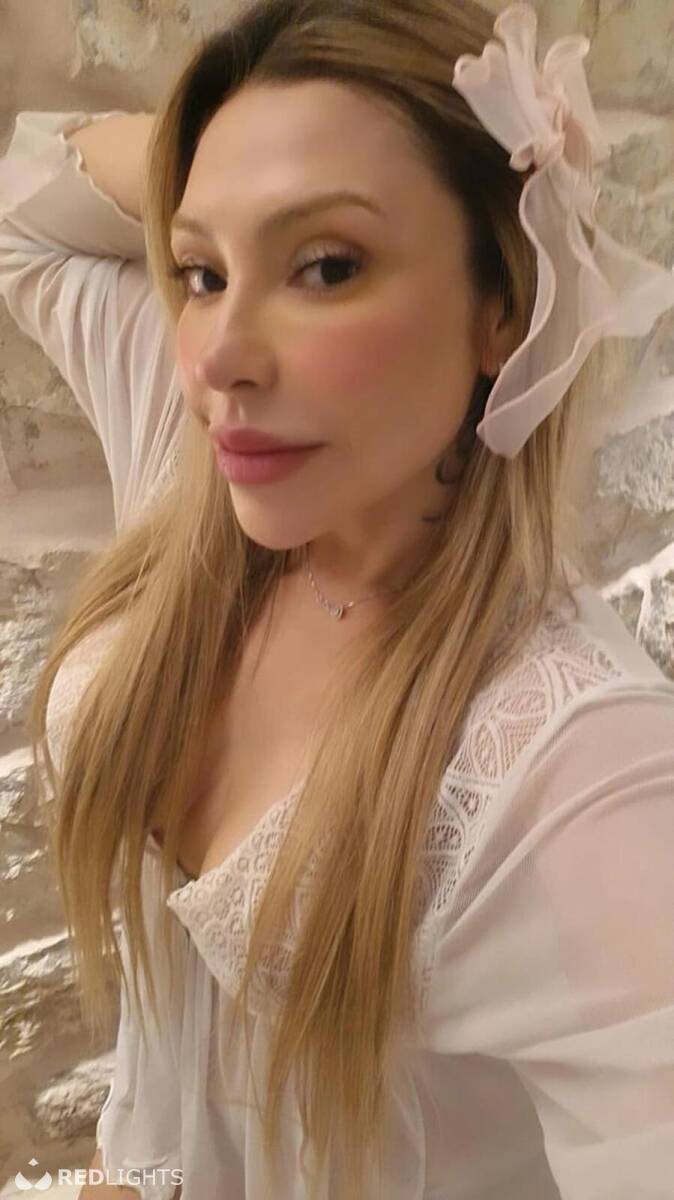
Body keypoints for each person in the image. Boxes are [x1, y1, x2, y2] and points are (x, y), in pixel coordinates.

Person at [1, 2, 673, 1197]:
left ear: (502, 304)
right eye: (200, 273)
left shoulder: (570, 772)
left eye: (325, 266)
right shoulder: (200, 458)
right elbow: (25, 211)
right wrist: (239, 156)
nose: (217, 358)